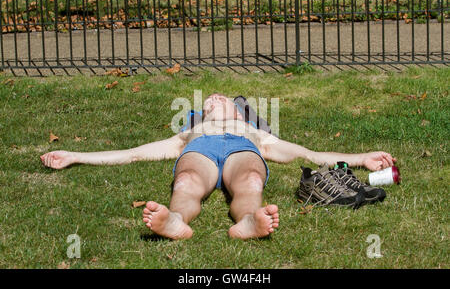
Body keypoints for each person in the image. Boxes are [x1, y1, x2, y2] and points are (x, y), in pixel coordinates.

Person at [40, 93, 396, 240]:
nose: (213, 98)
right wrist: (76, 156)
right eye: (208, 100)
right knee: (187, 182)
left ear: (238, 109)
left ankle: (247, 221)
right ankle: (177, 221)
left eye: (220, 97)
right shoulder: (190, 132)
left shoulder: (256, 133)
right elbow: (133, 153)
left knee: (252, 180)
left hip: (244, 151)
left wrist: (361, 158)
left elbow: (309, 154)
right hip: (200, 150)